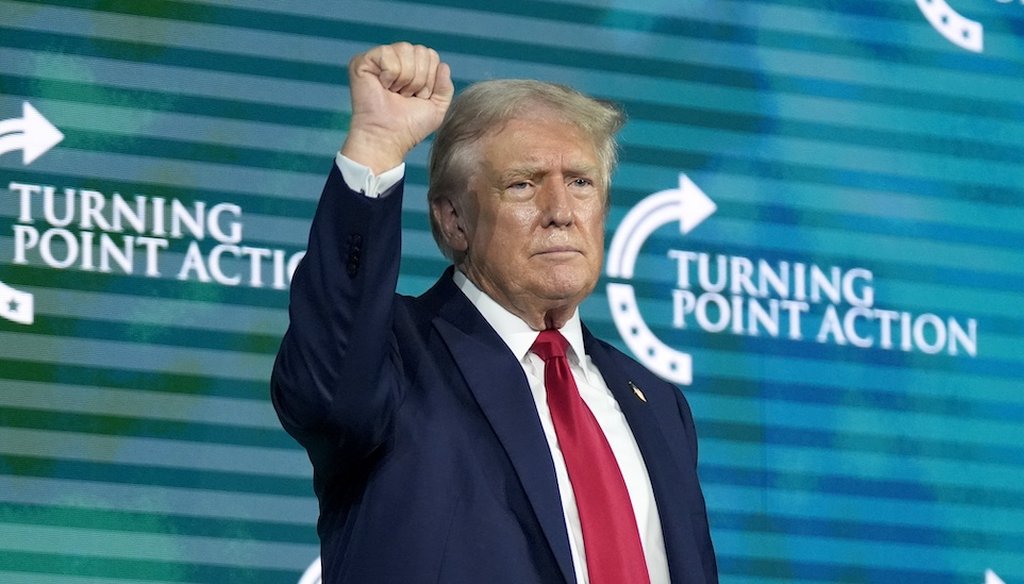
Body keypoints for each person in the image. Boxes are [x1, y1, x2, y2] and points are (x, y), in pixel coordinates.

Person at [272, 42, 717, 584]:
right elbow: (328, 382)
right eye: (523, 184)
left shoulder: (658, 403)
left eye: (580, 182)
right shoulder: (394, 355)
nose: (560, 213)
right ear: (454, 220)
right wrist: (377, 144)